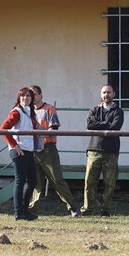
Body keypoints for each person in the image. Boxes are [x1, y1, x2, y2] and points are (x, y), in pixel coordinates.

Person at [27, 85, 80, 217]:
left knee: (56, 180)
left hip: (47, 149)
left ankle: (74, 208)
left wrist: (39, 135)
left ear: (41, 95)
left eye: (34, 94)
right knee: (35, 181)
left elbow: (53, 129)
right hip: (32, 150)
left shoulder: (49, 109)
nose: (32, 97)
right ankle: (30, 210)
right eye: (30, 95)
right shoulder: (27, 111)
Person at [82, 85, 124, 217]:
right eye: (104, 92)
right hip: (94, 150)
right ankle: (88, 209)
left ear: (114, 94)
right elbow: (89, 125)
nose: (106, 95)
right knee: (89, 182)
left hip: (111, 151)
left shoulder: (118, 111)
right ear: (101, 95)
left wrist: (99, 124)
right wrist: (107, 123)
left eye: (109, 92)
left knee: (109, 182)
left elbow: (115, 127)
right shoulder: (94, 109)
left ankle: (105, 210)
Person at [0, 87, 39, 221]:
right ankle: (19, 212)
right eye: (23, 96)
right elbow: (3, 129)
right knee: (20, 181)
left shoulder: (30, 113)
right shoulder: (17, 112)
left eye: (28, 96)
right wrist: (14, 145)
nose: (25, 98)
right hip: (19, 150)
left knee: (32, 180)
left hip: (28, 150)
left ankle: (24, 210)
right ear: (19, 98)